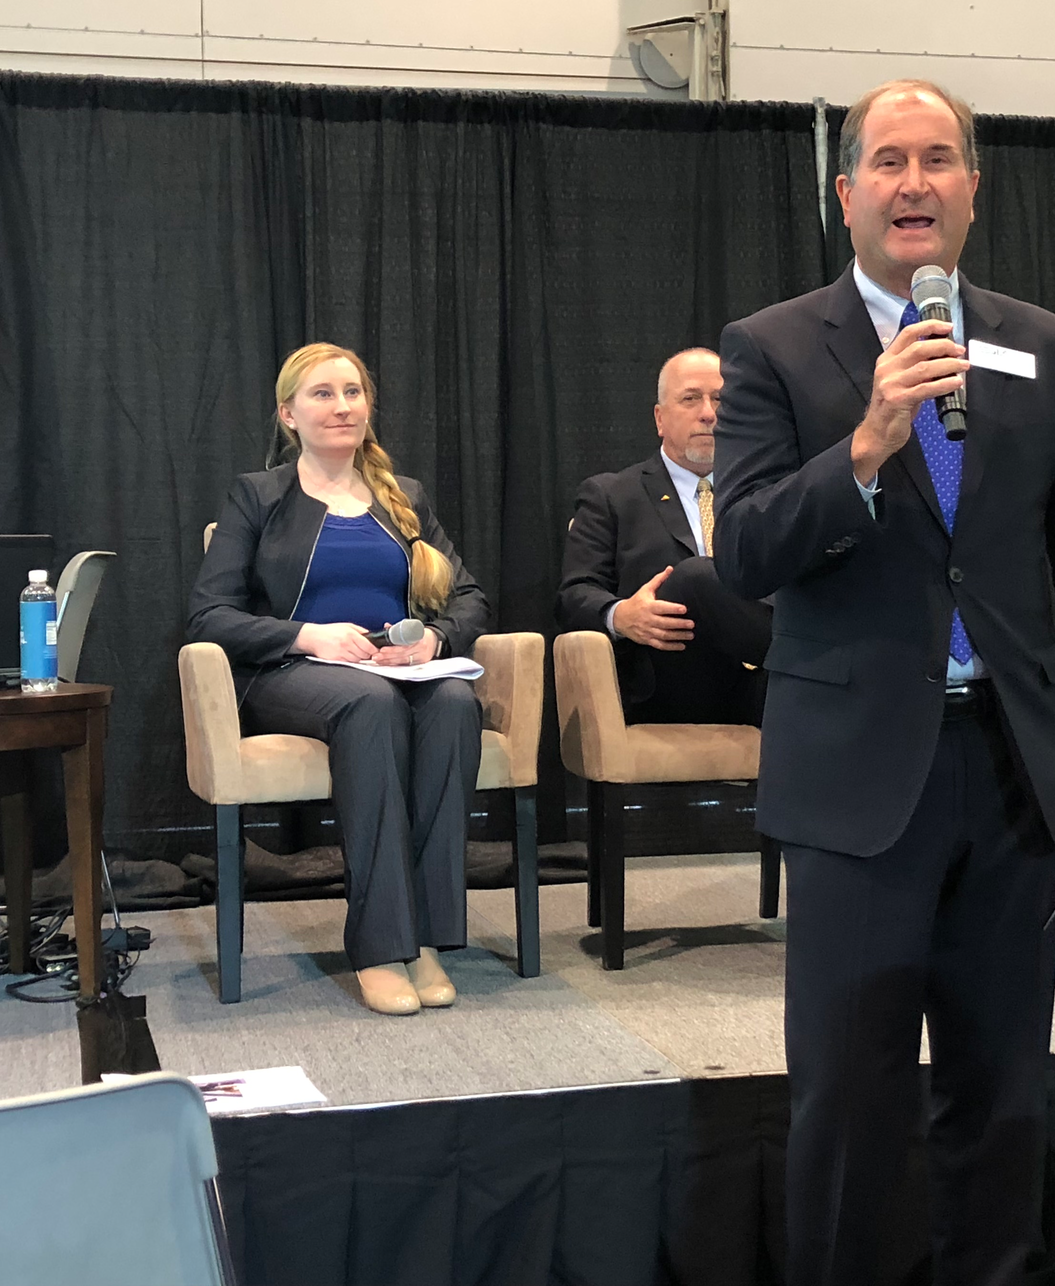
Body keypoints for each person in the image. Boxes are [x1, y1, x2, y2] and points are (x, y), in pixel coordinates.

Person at [714, 79, 1055, 1285]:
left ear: (972, 188)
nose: (915, 183)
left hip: (1014, 769)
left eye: (939, 159)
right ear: (846, 191)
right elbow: (744, 550)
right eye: (890, 162)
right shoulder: (772, 347)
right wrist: (864, 445)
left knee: (1002, 1090)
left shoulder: (1046, 345)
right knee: (848, 1097)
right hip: (859, 778)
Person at [187, 343, 490, 1016]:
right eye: (322, 394)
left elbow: (470, 596)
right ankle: (380, 944)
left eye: (353, 392)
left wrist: (435, 639)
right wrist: (307, 634)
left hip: (393, 668)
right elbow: (209, 614)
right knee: (369, 702)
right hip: (291, 671)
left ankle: (426, 937)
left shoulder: (403, 496)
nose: (342, 406)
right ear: (288, 414)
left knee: (454, 703)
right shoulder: (258, 495)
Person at [555, 347, 772, 725]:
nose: (709, 413)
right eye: (691, 399)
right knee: (696, 576)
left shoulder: (765, 493)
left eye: (720, 400)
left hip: (760, 684)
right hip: (668, 679)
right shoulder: (611, 495)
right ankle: (813, 656)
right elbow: (573, 595)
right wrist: (621, 615)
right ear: (660, 418)